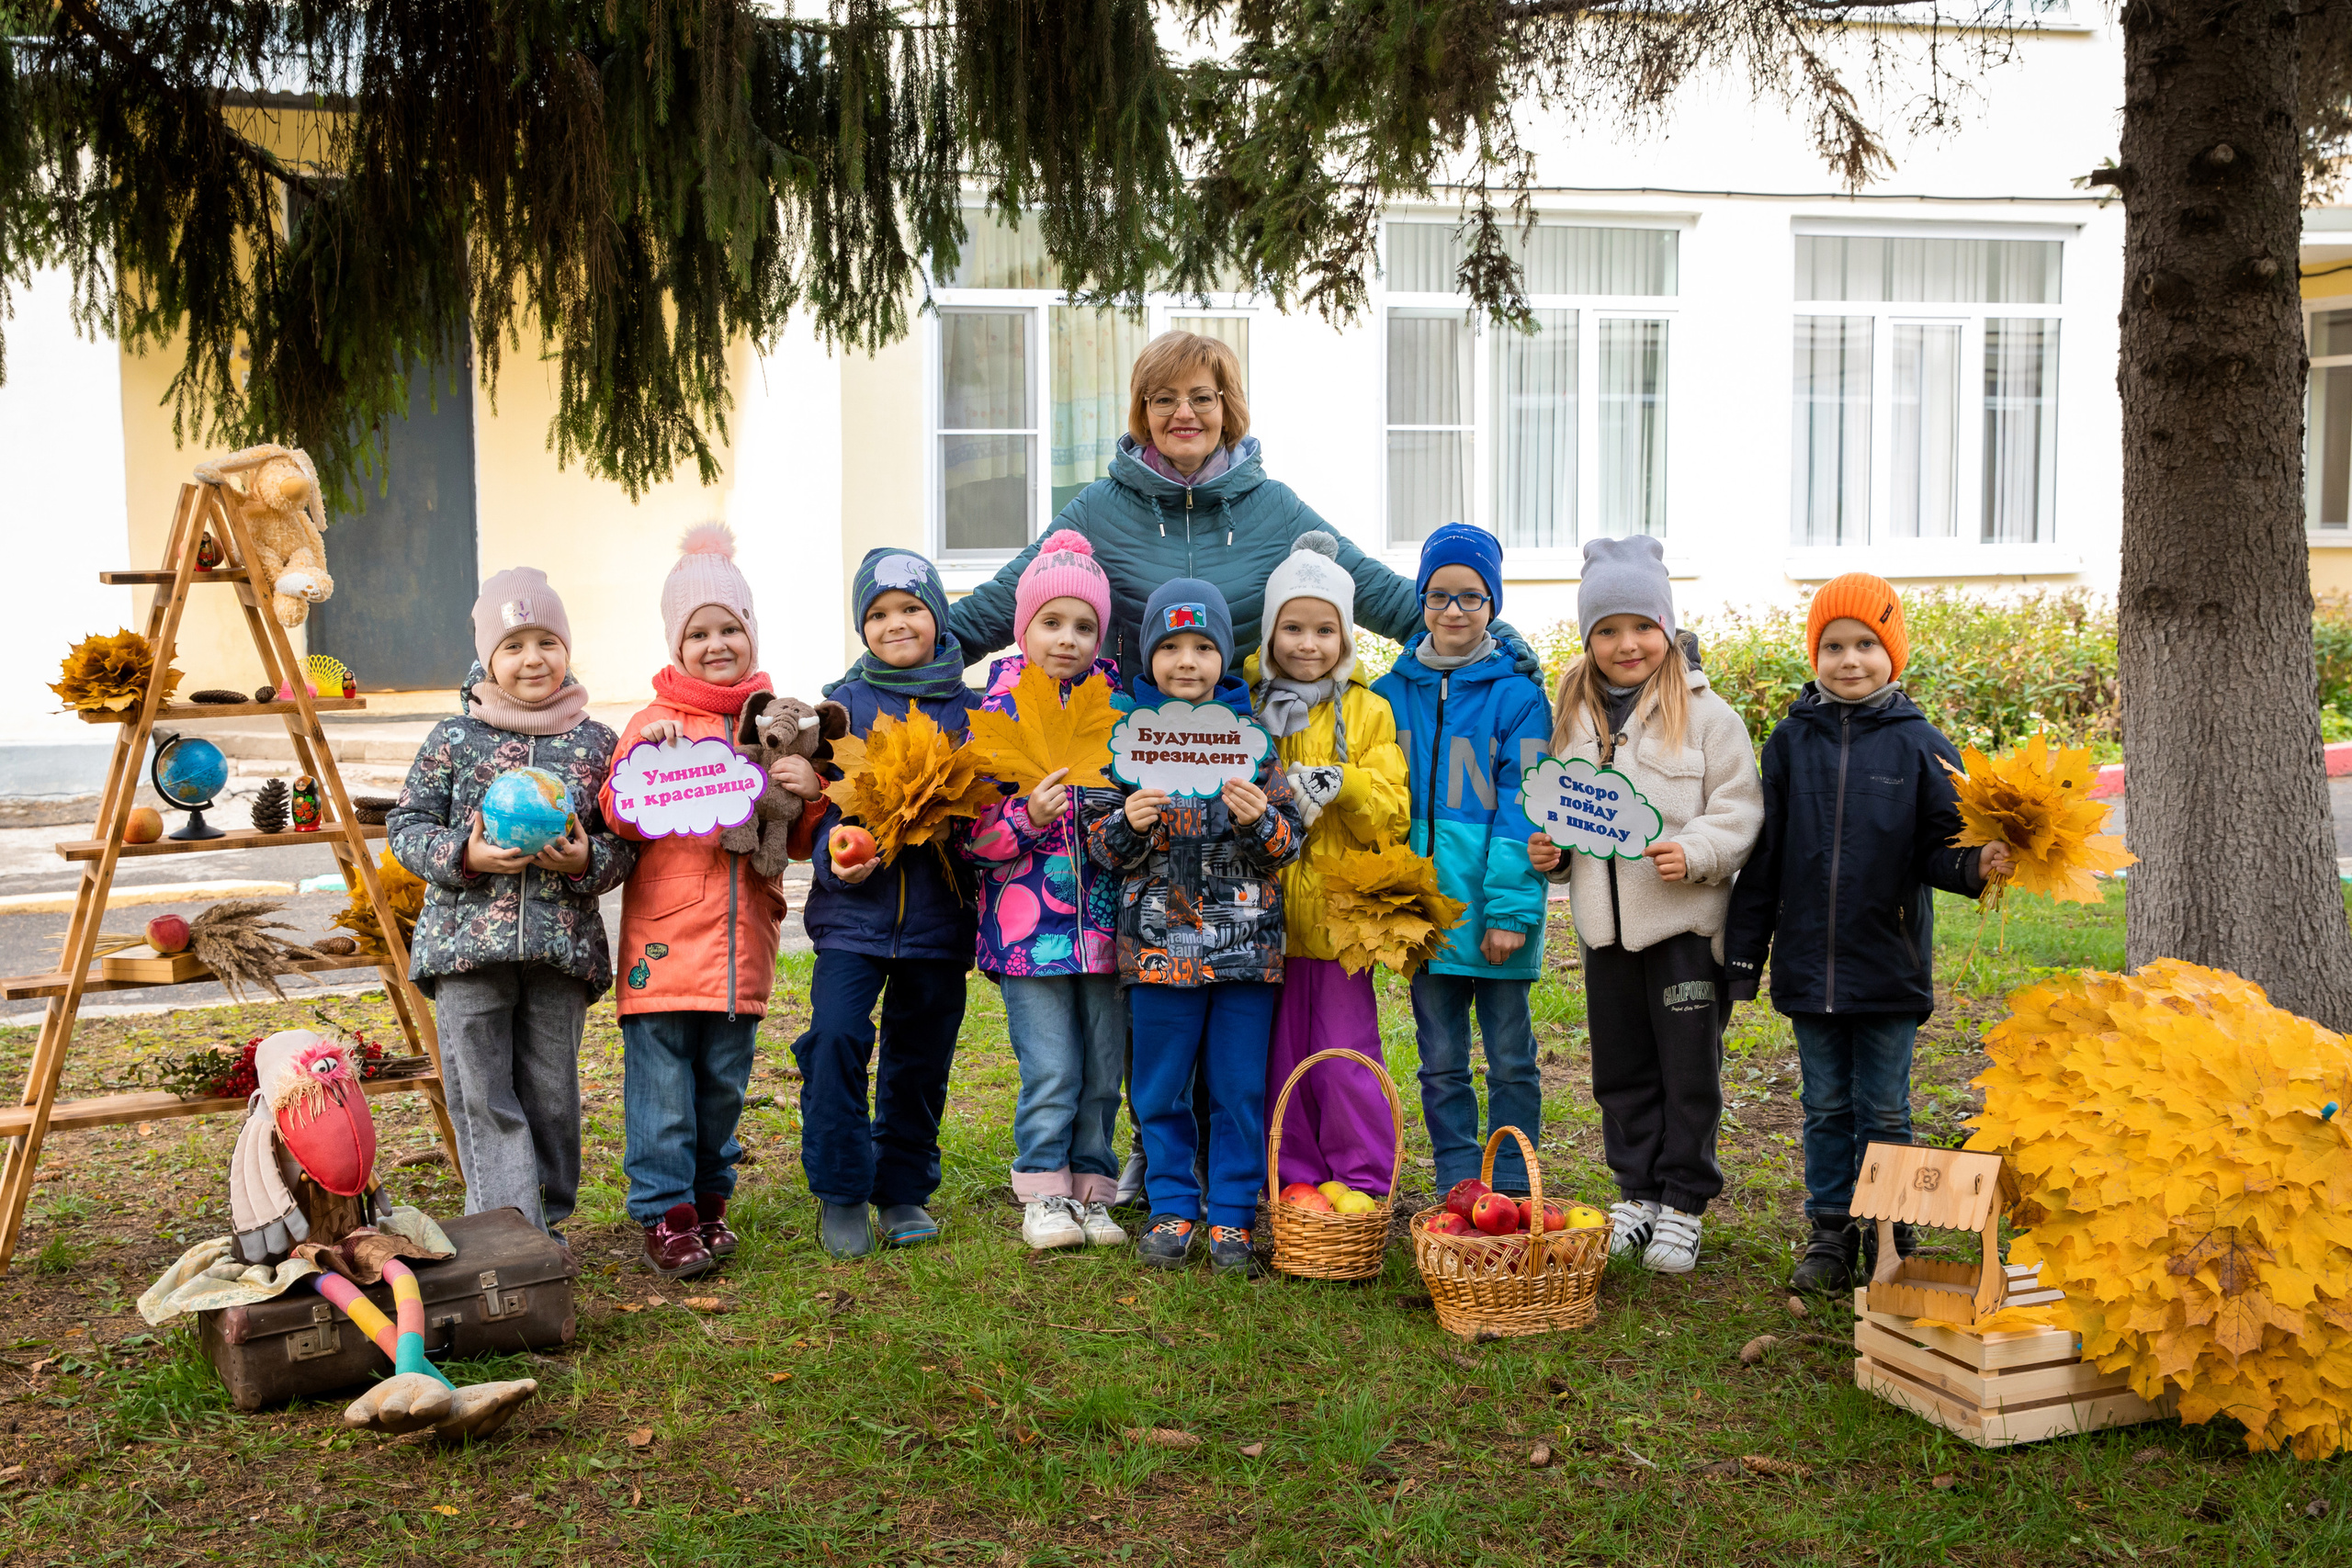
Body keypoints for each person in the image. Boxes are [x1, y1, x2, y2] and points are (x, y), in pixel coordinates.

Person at [941, 330, 1544, 686]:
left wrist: (1502, 640)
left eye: (1202, 397)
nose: (1184, 414)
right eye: (1164, 399)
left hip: (1248, 761)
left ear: (1227, 408)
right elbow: (998, 607)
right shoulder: (1098, 510)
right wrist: (882, 673)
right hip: (1128, 762)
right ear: (1142, 412)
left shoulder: (1275, 509)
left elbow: (1384, 596)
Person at [1722, 573, 2010, 1293]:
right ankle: (1830, 1232)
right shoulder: (1790, 742)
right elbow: (1766, 854)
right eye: (1833, 645)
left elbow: (1939, 847)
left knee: (1885, 1106)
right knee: (1825, 1104)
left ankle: (1893, 1226)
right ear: (1814, 655)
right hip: (1808, 965)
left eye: (1867, 644)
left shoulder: (1922, 745)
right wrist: (1744, 955)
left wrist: (1978, 863)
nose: (1850, 660)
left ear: (1894, 651)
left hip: (1888, 962)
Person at [1527, 536, 1763, 1275]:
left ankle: (1684, 1201)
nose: (1626, 644)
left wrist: (1696, 851)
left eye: (1640, 626)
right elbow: (1564, 810)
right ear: (1588, 638)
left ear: (1666, 625)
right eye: (1607, 630)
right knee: (1621, 1068)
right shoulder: (1573, 716)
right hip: (1605, 932)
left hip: (1683, 928)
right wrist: (1553, 854)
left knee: (1688, 1071)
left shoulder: (1708, 715)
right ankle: (1636, 1189)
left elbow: (1739, 808)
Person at [599, 525, 824, 1280]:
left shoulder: (773, 724)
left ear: (751, 633)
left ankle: (709, 1199)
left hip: (741, 946)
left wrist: (807, 792)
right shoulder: (654, 723)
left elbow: (795, 842)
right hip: (665, 943)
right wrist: (642, 758)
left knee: (723, 1083)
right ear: (676, 641)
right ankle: (666, 1211)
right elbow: (617, 813)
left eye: (731, 627)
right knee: (662, 1085)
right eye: (699, 631)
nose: (717, 642)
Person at [389, 568, 636, 1243]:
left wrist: (587, 860)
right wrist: (465, 857)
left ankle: (546, 1221)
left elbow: (626, 842)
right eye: (515, 644)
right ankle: (507, 1232)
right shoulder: (453, 738)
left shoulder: (597, 743)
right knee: (484, 1091)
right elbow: (406, 825)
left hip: (561, 950)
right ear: (488, 658)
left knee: (552, 1096)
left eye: (548, 641)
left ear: (567, 649)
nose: (533, 658)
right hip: (466, 949)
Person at [1083, 579, 1305, 1274]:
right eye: (1171, 646)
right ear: (1148, 657)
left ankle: (1233, 1215)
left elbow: (1288, 844)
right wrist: (1128, 821)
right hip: (1156, 952)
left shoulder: (1254, 743)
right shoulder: (1124, 743)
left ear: (1225, 656)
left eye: (1203, 647)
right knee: (1159, 1086)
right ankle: (1172, 1203)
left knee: (1238, 1086)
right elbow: (1098, 847)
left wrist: (1259, 819)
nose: (1187, 661)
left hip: (1244, 952)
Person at [796, 548, 982, 1258]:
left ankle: (902, 1189)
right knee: (837, 1038)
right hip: (854, 916)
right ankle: (842, 1190)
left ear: (936, 615)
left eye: (911, 608)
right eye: (878, 613)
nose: (896, 623)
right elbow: (819, 814)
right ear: (861, 626)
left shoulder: (973, 713)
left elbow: (988, 816)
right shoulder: (839, 710)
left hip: (940, 919)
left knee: (921, 1053)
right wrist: (841, 858)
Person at [963, 530, 1134, 1251]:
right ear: (1023, 627)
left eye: (1084, 625)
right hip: (1026, 927)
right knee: (1053, 1067)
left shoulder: (1119, 713)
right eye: (1052, 622)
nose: (1068, 638)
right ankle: (1043, 1188)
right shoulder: (994, 714)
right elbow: (973, 839)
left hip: (1106, 927)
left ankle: (1094, 1189)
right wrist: (1023, 816)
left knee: (1102, 1067)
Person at [1373, 524, 1554, 1199]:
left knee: (1510, 1057)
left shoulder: (1518, 697)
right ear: (1421, 599)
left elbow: (1526, 807)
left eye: (1471, 597)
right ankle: (1457, 1176)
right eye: (1439, 595)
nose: (1454, 610)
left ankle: (1511, 1177)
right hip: (1425, 918)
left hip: (1493, 915)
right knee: (1440, 1058)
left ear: (1492, 605)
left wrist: (1510, 909)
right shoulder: (1393, 694)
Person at [1246, 532, 1410, 1199]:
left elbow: (1392, 811)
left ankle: (1364, 1178)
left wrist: (1345, 782)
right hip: (1263, 920)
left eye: (1323, 630)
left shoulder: (1369, 712)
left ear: (1345, 637)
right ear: (1270, 631)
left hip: (1341, 919)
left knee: (1345, 1055)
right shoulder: (1250, 709)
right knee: (1278, 1059)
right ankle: (1295, 1184)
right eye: (1292, 628)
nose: (1307, 644)